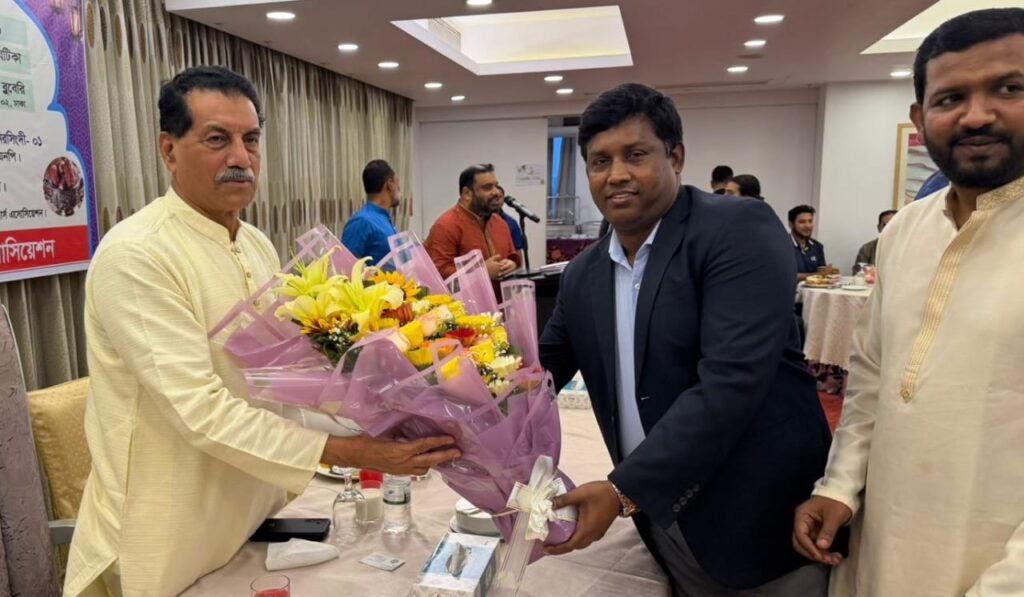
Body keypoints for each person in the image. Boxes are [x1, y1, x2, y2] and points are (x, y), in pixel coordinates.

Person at [63, 67, 460, 597]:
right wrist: (354, 452)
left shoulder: (254, 244)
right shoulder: (138, 255)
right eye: (217, 139)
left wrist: (390, 412)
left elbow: (283, 381)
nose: (240, 158)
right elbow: (201, 411)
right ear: (168, 150)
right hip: (166, 538)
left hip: (254, 516)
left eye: (250, 140)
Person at [540, 83, 832, 596]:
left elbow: (731, 382)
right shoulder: (584, 273)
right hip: (659, 518)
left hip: (760, 520)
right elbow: (538, 373)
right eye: (600, 161)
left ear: (675, 157)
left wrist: (623, 490)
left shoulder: (736, 229)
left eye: (635, 155)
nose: (616, 174)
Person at [793, 8, 1024, 596]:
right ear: (921, 118)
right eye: (951, 98)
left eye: (1009, 88)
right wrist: (839, 487)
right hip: (879, 551)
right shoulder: (906, 230)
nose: (977, 114)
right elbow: (871, 377)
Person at [424, 163, 521, 296]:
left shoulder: (500, 223)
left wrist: (512, 263)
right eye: (487, 187)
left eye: (496, 186)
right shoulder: (445, 226)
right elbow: (439, 276)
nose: (496, 192)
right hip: (465, 308)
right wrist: (481, 272)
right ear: (467, 193)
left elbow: (512, 255)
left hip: (502, 305)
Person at [341, 159, 400, 267]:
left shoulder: (383, 218)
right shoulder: (361, 222)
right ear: (390, 184)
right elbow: (343, 268)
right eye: (397, 184)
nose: (399, 189)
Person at [789, 205, 827, 281]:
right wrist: (818, 274)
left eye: (810, 221)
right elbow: (786, 275)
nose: (807, 226)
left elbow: (823, 274)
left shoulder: (817, 246)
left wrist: (830, 274)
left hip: (814, 288)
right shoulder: (783, 246)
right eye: (802, 222)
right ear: (791, 224)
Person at [851, 209, 896, 273]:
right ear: (879, 228)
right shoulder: (866, 249)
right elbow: (858, 273)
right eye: (886, 226)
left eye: (895, 225)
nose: (890, 229)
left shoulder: (909, 248)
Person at [496, 184, 525, 254]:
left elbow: (517, 251)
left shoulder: (511, 223)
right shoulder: (479, 220)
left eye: (499, 197)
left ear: (503, 199)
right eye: (493, 197)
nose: (496, 200)